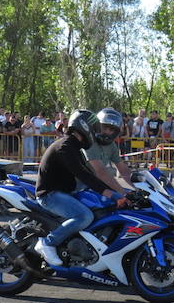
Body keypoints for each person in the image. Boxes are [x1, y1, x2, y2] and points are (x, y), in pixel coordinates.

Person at [34, 109, 127, 268]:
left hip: (65, 191)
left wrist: (120, 193)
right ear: (84, 127)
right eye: (94, 128)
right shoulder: (65, 147)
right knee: (84, 216)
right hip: (49, 195)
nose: (97, 132)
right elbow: (85, 176)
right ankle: (48, 243)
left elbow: (90, 176)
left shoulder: (73, 147)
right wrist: (113, 194)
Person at [85, 107, 135, 194]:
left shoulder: (111, 146)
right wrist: (123, 193)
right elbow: (100, 172)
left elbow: (123, 169)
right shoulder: (89, 142)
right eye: (104, 127)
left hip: (94, 186)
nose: (107, 132)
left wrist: (139, 187)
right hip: (78, 188)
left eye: (112, 129)